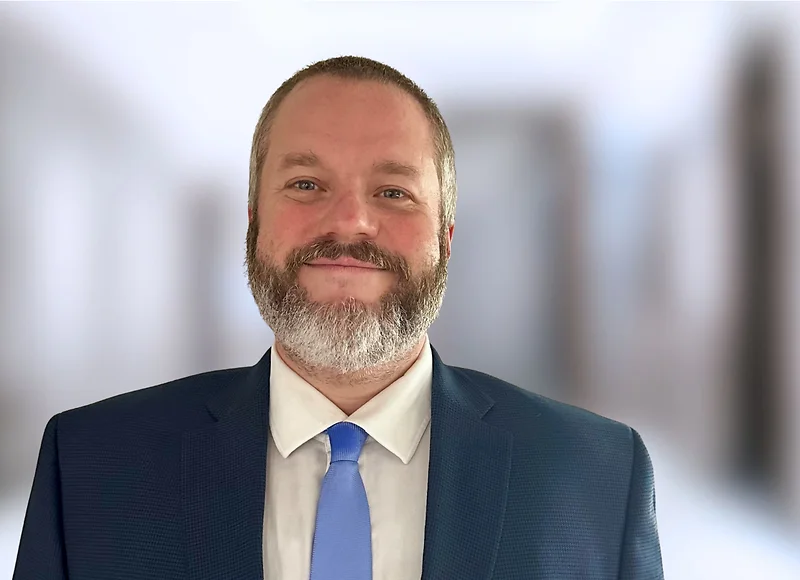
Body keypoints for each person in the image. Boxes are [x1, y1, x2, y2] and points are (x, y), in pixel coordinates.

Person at [13, 56, 663, 580]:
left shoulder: (598, 476)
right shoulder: (91, 467)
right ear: (253, 223)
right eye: (306, 184)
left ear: (446, 237)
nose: (350, 222)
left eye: (393, 192)